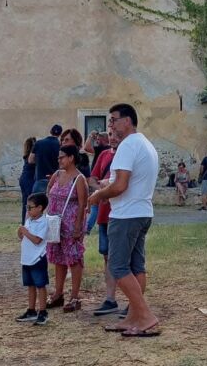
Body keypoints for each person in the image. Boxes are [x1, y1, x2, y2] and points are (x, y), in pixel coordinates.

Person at [88, 103, 160, 338]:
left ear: (127, 121)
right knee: (136, 266)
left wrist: (98, 195)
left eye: (114, 120)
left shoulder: (128, 145)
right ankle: (133, 317)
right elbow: (128, 181)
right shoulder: (145, 144)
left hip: (126, 215)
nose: (111, 125)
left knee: (118, 266)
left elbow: (120, 185)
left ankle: (145, 315)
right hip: (142, 211)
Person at [44, 143, 87, 312]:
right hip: (56, 224)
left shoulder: (79, 179)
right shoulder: (57, 174)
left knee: (74, 259)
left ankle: (75, 296)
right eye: (59, 157)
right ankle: (58, 293)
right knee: (59, 258)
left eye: (62, 157)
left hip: (71, 224)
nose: (59, 160)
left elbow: (83, 203)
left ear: (71, 158)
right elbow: (49, 193)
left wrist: (78, 227)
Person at [88, 128, 120, 316]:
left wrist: (108, 188)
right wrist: (101, 188)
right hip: (104, 214)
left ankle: (133, 301)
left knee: (127, 258)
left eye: (115, 134)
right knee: (107, 257)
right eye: (110, 135)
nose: (113, 138)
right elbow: (92, 178)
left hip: (121, 214)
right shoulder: (104, 155)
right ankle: (110, 298)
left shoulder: (128, 155)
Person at [16, 192, 50, 326]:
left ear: (40, 208)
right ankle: (31, 310)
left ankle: (43, 311)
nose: (28, 210)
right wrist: (20, 232)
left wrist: (25, 232)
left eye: (30, 207)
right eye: (27, 207)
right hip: (27, 258)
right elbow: (22, 237)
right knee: (30, 285)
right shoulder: (28, 220)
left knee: (40, 285)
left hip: (38, 258)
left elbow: (37, 240)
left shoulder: (44, 222)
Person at [84, 130, 110, 233]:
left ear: (104, 140)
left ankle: (87, 228)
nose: (97, 141)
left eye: (99, 140)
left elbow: (86, 147)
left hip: (99, 181)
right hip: (102, 181)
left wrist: (90, 136)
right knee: (96, 206)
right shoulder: (107, 149)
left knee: (95, 206)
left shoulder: (102, 149)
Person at [29, 124, 62, 194]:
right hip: (55, 180)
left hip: (40, 179)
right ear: (60, 134)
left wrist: (40, 161)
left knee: (37, 203)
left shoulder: (38, 143)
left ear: (50, 131)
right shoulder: (60, 145)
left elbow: (30, 160)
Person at [19, 137, 36, 223]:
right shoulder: (32, 156)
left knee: (26, 202)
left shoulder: (27, 155)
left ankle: (24, 222)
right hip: (28, 179)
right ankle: (27, 222)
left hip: (24, 179)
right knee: (30, 202)